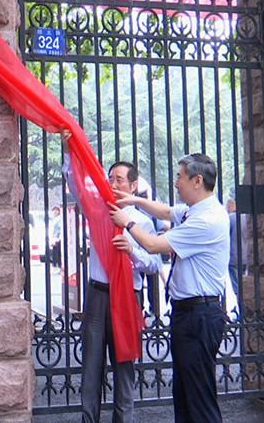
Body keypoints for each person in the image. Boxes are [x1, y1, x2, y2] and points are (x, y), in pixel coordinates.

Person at [108, 153, 229, 423]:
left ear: (197, 181)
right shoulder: (195, 209)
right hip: (188, 313)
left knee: (199, 397)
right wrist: (134, 201)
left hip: (199, 316)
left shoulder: (206, 220)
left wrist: (127, 222)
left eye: (179, 176)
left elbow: (153, 246)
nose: (176, 183)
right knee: (184, 393)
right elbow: (164, 212)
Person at [60, 130, 161, 423]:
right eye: (110, 178)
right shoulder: (97, 211)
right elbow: (75, 184)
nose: (113, 184)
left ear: (133, 185)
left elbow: (154, 265)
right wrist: (69, 149)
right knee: (91, 366)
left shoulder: (142, 222)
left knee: (124, 366)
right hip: (97, 296)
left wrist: (132, 251)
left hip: (128, 298)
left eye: (119, 179)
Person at [226, 197, 248, 296]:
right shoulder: (246, 217)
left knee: (236, 287)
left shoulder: (230, 218)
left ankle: (240, 303)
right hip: (246, 256)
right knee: (244, 284)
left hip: (234, 256)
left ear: (230, 206)